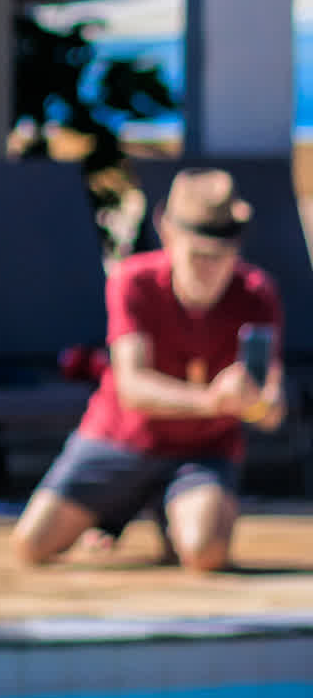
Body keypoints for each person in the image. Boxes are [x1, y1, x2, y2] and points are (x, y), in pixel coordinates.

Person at [14, 167, 286, 574]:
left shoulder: (257, 293)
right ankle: (118, 509)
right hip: (118, 440)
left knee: (205, 555)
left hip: (203, 453)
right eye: (198, 254)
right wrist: (214, 401)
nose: (208, 269)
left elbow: (273, 408)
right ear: (168, 234)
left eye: (221, 256)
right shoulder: (133, 280)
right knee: (32, 546)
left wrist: (255, 405)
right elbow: (133, 387)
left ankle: (163, 509)